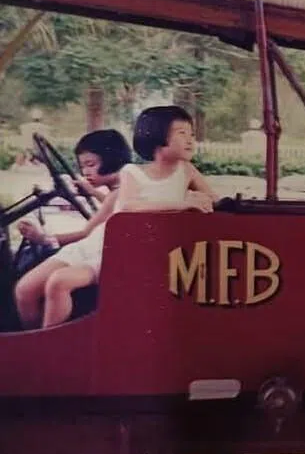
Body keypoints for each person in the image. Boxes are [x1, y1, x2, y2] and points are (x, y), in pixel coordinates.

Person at [25, 106, 217, 330]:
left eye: (192, 134)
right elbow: (127, 206)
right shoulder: (131, 173)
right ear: (156, 136)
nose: (191, 140)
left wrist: (205, 202)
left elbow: (215, 200)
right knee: (33, 287)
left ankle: (50, 349)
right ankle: (42, 346)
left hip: (134, 253)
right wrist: (183, 204)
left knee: (58, 281)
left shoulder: (187, 171)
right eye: (182, 133)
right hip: (111, 248)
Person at [14, 129, 132, 327]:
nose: (85, 172)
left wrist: (42, 238)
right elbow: (113, 205)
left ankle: (39, 342)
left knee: (24, 291)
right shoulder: (119, 191)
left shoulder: (122, 191)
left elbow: (86, 232)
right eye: (82, 166)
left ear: (112, 159)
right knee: (25, 289)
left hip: (93, 251)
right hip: (89, 248)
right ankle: (34, 339)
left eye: (91, 164)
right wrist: (94, 192)